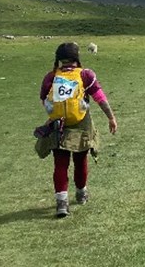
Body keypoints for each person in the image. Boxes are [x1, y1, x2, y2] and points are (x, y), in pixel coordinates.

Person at [38, 42, 117, 218]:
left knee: (60, 164)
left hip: (58, 125)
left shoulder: (50, 77)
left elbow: (43, 99)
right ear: (76, 58)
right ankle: (81, 194)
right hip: (81, 125)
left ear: (59, 59)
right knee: (80, 161)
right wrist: (111, 117)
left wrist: (57, 113)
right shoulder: (85, 75)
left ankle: (61, 202)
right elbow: (99, 97)